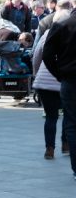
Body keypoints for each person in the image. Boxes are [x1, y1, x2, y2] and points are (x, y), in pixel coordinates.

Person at [42, 8, 76, 180]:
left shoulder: (61, 25)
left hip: (70, 79)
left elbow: (46, 55)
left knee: (72, 121)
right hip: (68, 79)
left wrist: (60, 74)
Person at [33, 10, 71, 160]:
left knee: (51, 117)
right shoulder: (71, 34)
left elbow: (37, 54)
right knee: (68, 114)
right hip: (64, 80)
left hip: (44, 81)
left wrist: (36, 74)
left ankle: (49, 149)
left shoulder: (48, 33)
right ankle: (65, 144)